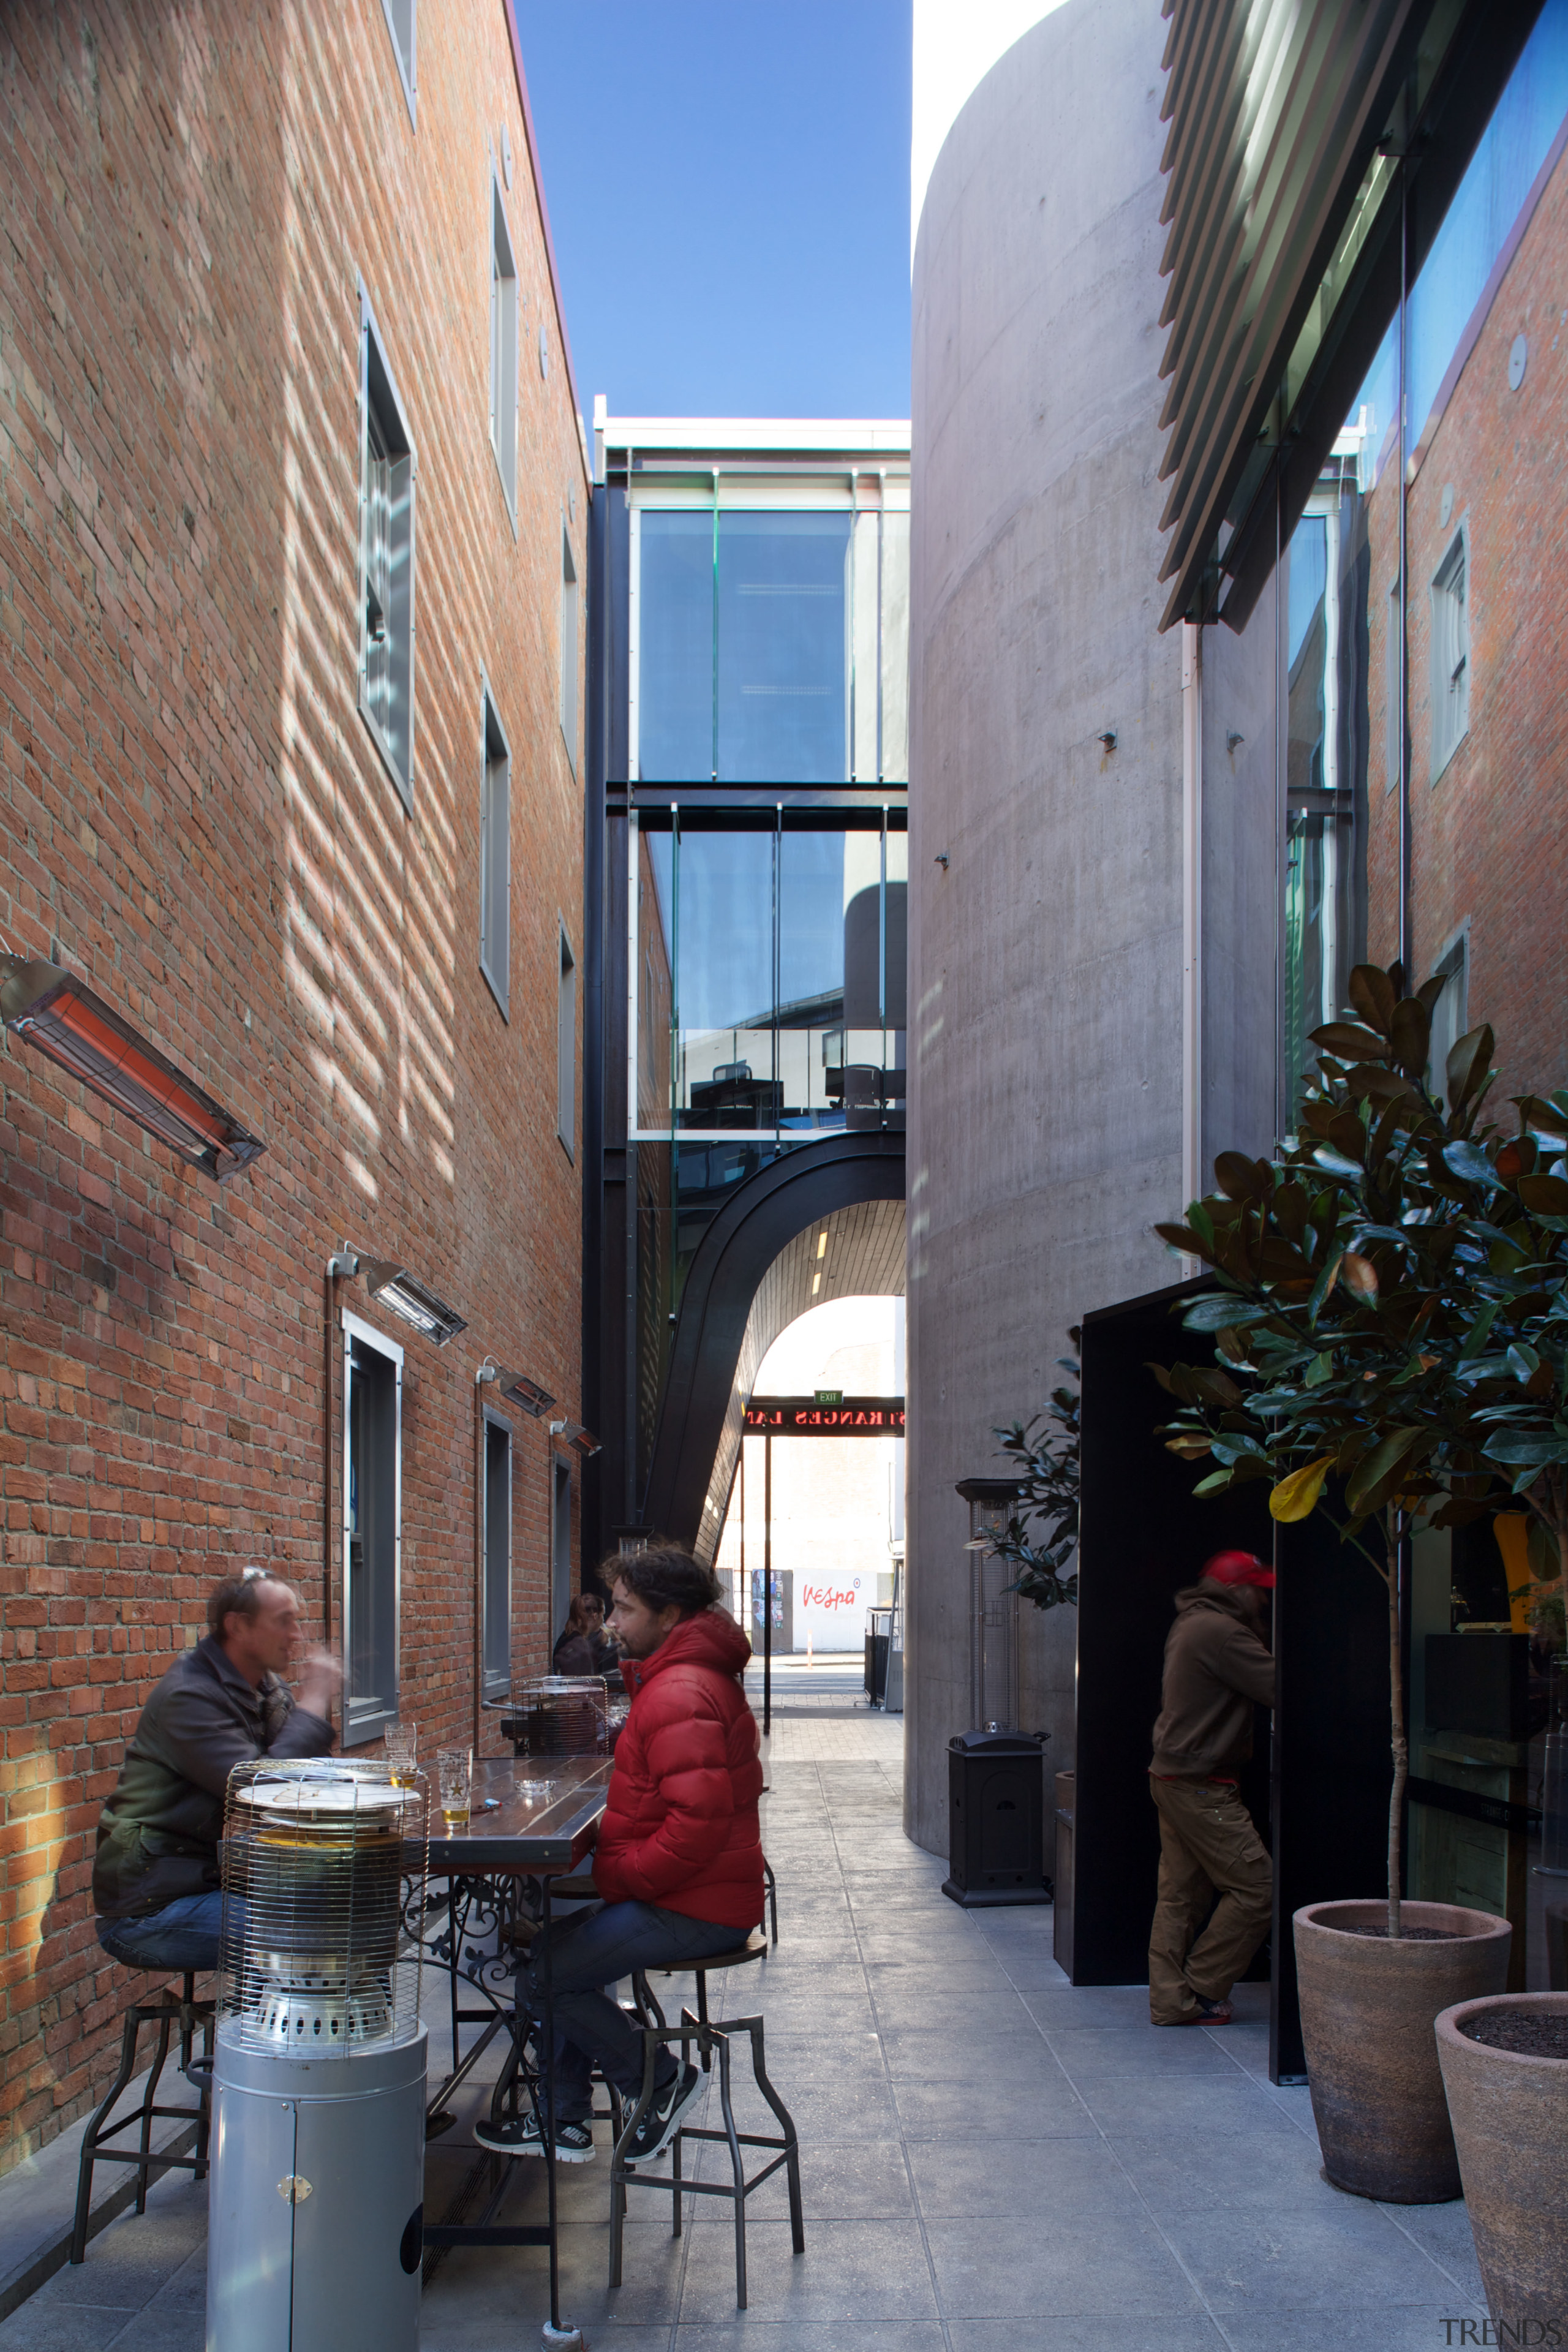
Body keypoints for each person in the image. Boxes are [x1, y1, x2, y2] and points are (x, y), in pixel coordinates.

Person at [477, 1543, 761, 2165]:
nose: (612, 1622)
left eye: (626, 1610)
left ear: (669, 1616)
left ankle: (660, 2081)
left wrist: (624, 1878)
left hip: (694, 1906)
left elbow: (699, 1824)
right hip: (699, 1895)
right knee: (557, 1956)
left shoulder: (680, 1691)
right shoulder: (681, 1680)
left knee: (545, 1978)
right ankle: (565, 2122)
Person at [92, 1572, 341, 1973]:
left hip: (211, 1881)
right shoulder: (188, 1696)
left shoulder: (265, 1689)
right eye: (283, 1620)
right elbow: (258, 1787)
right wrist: (313, 1702)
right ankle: (269, 2034)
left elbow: (302, 1773)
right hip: (148, 1910)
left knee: (350, 1907)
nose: (296, 1634)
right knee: (310, 1936)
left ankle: (362, 2030)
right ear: (238, 1626)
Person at [1147, 1549, 1276, 2027]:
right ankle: (1202, 1988)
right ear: (1240, 1591)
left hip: (1173, 1775)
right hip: (1201, 1784)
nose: (1264, 1601)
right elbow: (1283, 1687)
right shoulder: (1223, 1633)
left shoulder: (1192, 1621)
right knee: (1258, 1888)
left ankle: (1170, 2000)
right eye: (1260, 1592)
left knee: (1179, 1894)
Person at [552, 1591, 619, 1679]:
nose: (603, 1621)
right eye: (603, 1615)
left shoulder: (568, 1637)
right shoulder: (576, 1643)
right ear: (595, 1616)